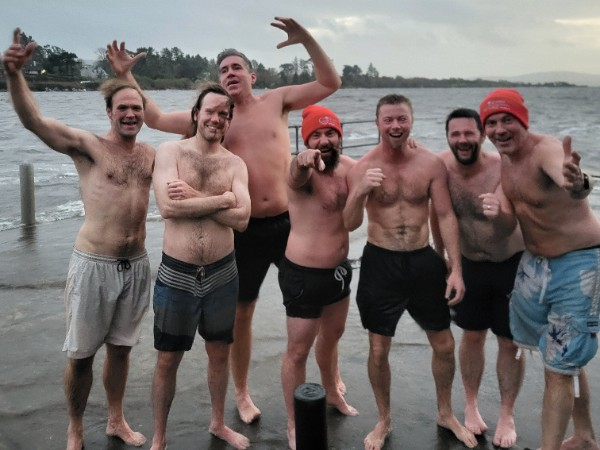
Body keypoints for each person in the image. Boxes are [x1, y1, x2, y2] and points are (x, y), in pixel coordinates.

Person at [106, 16, 341, 423]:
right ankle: (243, 393)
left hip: (288, 222)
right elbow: (155, 119)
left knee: (315, 300)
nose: (230, 73)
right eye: (223, 70)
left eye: (236, 67)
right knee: (241, 314)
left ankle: (331, 379)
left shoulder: (277, 101)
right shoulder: (213, 116)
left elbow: (330, 82)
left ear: (252, 75)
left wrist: (306, 39)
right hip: (241, 228)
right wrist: (127, 76)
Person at [2, 29, 154, 450]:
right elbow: (35, 123)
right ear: (108, 112)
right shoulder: (89, 147)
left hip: (136, 265)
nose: (130, 114)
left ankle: (116, 420)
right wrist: (14, 75)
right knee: (81, 354)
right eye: (122, 108)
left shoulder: (151, 155)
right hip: (94, 265)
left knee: (121, 350)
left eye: (136, 108)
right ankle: (75, 427)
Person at [343, 94, 478, 450]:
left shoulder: (431, 164)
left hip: (422, 261)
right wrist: (360, 191)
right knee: (378, 349)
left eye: (401, 119)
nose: (395, 126)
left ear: (411, 121)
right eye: (388, 120)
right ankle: (384, 419)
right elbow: (349, 222)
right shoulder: (362, 168)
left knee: (444, 344)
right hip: (380, 262)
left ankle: (445, 413)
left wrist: (456, 269)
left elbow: (445, 215)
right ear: (377, 123)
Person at [479, 88, 600, 450]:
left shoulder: (545, 150)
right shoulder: (506, 160)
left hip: (578, 265)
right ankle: (584, 436)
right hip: (536, 265)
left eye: (507, 120)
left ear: (523, 120)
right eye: (491, 123)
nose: (500, 129)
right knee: (563, 357)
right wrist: (497, 214)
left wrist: (579, 182)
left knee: (559, 368)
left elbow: (573, 183)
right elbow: (507, 225)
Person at [149, 82, 251, 450]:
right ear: (196, 114)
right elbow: (168, 207)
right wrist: (223, 199)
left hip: (223, 273)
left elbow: (243, 219)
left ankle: (218, 423)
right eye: (210, 111)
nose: (216, 119)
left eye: (224, 114)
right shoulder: (170, 151)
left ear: (229, 120)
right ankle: (159, 438)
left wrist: (195, 196)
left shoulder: (235, 163)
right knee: (167, 358)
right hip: (177, 273)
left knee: (220, 353)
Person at [431, 108, 525, 448]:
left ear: (482, 135)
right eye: (455, 134)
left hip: (510, 263)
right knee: (472, 336)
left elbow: (514, 221)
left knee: (509, 341)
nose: (462, 140)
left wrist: (499, 214)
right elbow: (438, 214)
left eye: (469, 133)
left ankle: (506, 413)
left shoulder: (503, 167)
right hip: (469, 264)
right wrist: (442, 257)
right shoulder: (440, 167)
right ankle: (470, 404)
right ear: (447, 137)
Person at [279, 105, 358, 449]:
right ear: (306, 140)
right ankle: (294, 422)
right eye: (316, 135)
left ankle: (331, 393)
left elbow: (383, 167)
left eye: (330, 133)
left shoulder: (351, 168)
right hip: (303, 276)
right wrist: (301, 161)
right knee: (298, 351)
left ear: (340, 136)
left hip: (339, 272)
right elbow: (294, 175)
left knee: (332, 337)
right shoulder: (302, 171)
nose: (324, 141)